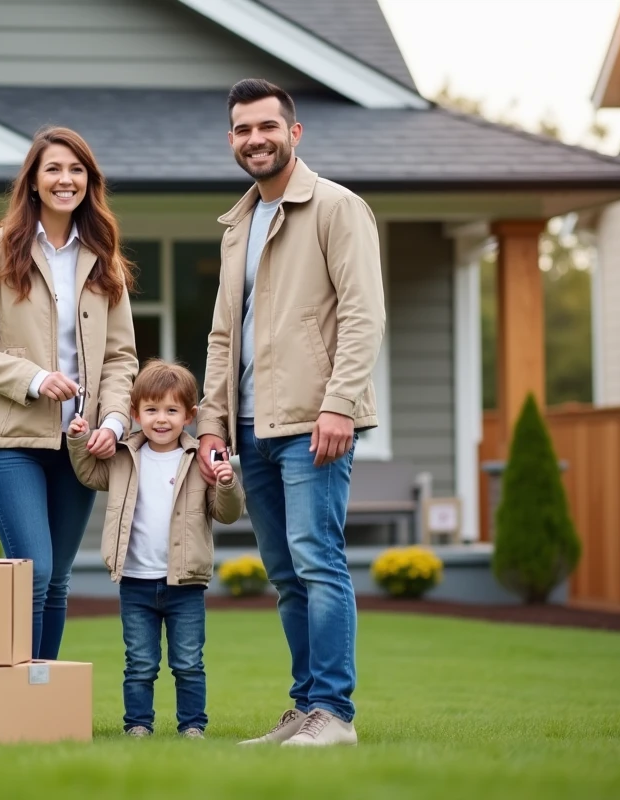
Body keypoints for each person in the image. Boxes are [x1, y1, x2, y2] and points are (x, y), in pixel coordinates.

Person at [195, 79, 386, 747]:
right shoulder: (238, 226)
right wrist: (211, 423)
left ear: (294, 133)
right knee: (284, 575)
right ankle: (305, 709)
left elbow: (364, 315)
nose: (256, 139)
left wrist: (339, 404)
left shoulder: (337, 207)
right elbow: (223, 335)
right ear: (232, 139)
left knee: (317, 562)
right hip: (252, 428)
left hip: (314, 423)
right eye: (243, 130)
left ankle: (335, 713)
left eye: (267, 127)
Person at [0, 126, 139, 660]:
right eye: (53, 169)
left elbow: (121, 357)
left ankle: (42, 689)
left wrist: (114, 423)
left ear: (89, 182)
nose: (65, 179)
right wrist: (33, 378)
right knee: (34, 571)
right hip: (12, 440)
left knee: (57, 580)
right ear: (32, 180)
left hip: (80, 444)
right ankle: (15, 689)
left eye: (76, 170)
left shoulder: (103, 258)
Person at [68, 359, 244, 739]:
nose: (161, 419)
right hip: (135, 582)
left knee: (188, 663)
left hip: (186, 584)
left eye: (171, 411)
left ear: (190, 416)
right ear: (135, 413)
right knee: (140, 663)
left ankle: (192, 726)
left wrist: (227, 483)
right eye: (151, 410)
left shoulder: (199, 460)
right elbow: (88, 473)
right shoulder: (123, 457)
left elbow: (226, 513)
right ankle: (137, 725)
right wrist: (79, 441)